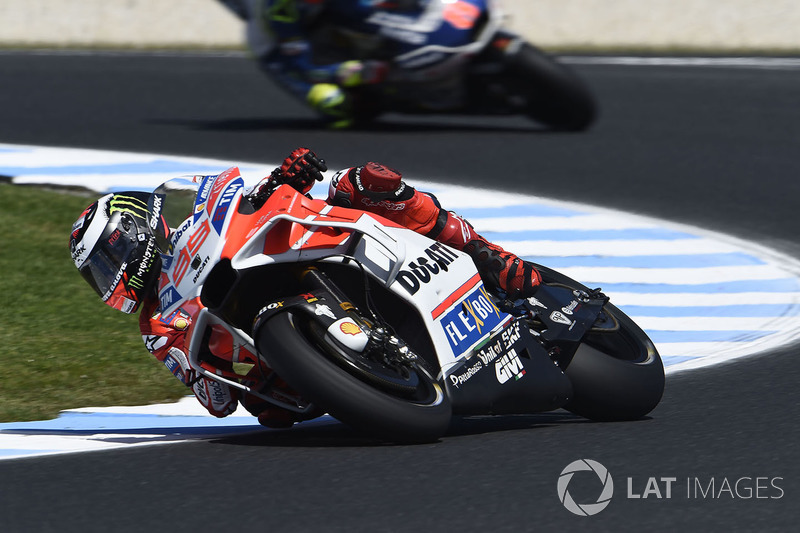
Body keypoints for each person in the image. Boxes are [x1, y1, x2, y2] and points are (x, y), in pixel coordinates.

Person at [69, 147, 540, 427]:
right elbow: (217, 401)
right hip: (279, 358)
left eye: (108, 257)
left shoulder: (198, 211)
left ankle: (482, 251)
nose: (110, 274)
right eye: (99, 273)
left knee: (364, 182)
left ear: (133, 229)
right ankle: (364, 377)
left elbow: (255, 199)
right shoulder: (155, 325)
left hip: (296, 255)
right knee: (269, 413)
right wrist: (214, 369)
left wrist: (285, 175)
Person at [217, 0, 426, 128]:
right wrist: (348, 72)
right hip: (278, 52)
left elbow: (366, 11)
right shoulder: (282, 15)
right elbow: (303, 68)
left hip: (311, 20)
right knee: (332, 101)